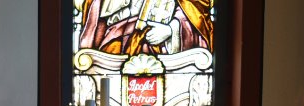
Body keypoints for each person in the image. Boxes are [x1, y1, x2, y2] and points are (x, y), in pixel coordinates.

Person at [79, 0, 213, 56]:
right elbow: (97, 13)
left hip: (164, 49)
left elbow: (195, 12)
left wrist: (171, 30)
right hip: (117, 41)